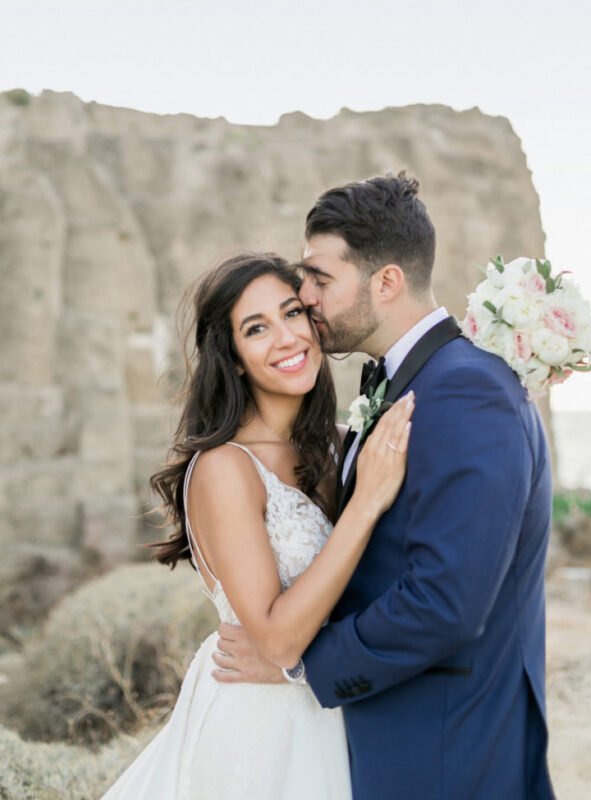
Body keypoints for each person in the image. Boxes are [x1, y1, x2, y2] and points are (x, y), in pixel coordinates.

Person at [213, 174, 556, 799]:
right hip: (391, 737)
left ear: (387, 282)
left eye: (319, 279)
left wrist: (301, 666)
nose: (306, 297)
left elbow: (445, 603)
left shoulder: (465, 391)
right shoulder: (399, 383)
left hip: (446, 751)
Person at [101, 251, 413, 799]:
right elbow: (276, 638)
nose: (288, 338)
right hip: (258, 730)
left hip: (338, 714)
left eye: (293, 314)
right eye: (256, 328)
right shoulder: (224, 467)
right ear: (236, 358)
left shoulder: (340, 447)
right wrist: (364, 504)